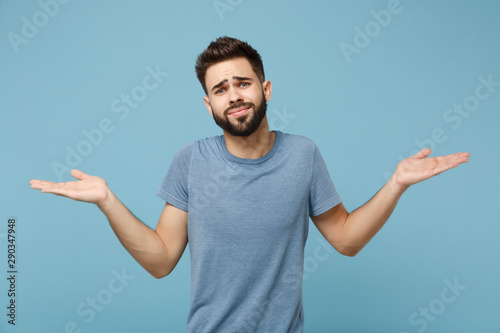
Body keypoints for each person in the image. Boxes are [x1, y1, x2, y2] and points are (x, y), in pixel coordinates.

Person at [30, 36, 470, 332]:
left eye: (243, 83)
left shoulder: (303, 155)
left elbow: (347, 239)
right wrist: (108, 200)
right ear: (209, 104)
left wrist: (396, 184)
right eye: (221, 89)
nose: (234, 94)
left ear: (266, 88)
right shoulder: (191, 161)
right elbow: (162, 259)